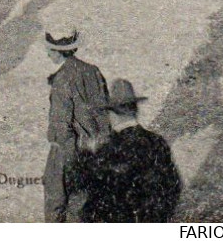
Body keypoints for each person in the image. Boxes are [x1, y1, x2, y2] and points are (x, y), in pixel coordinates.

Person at [78, 78, 182, 222]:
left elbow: (91, 189)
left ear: (112, 114)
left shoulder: (109, 149)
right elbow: (173, 186)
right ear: (135, 109)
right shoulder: (157, 141)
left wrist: (86, 154)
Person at [43, 22, 110, 223]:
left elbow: (61, 127)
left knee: (56, 199)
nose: (47, 53)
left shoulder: (62, 79)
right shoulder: (93, 71)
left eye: (49, 49)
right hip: (99, 147)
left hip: (71, 149)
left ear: (58, 51)